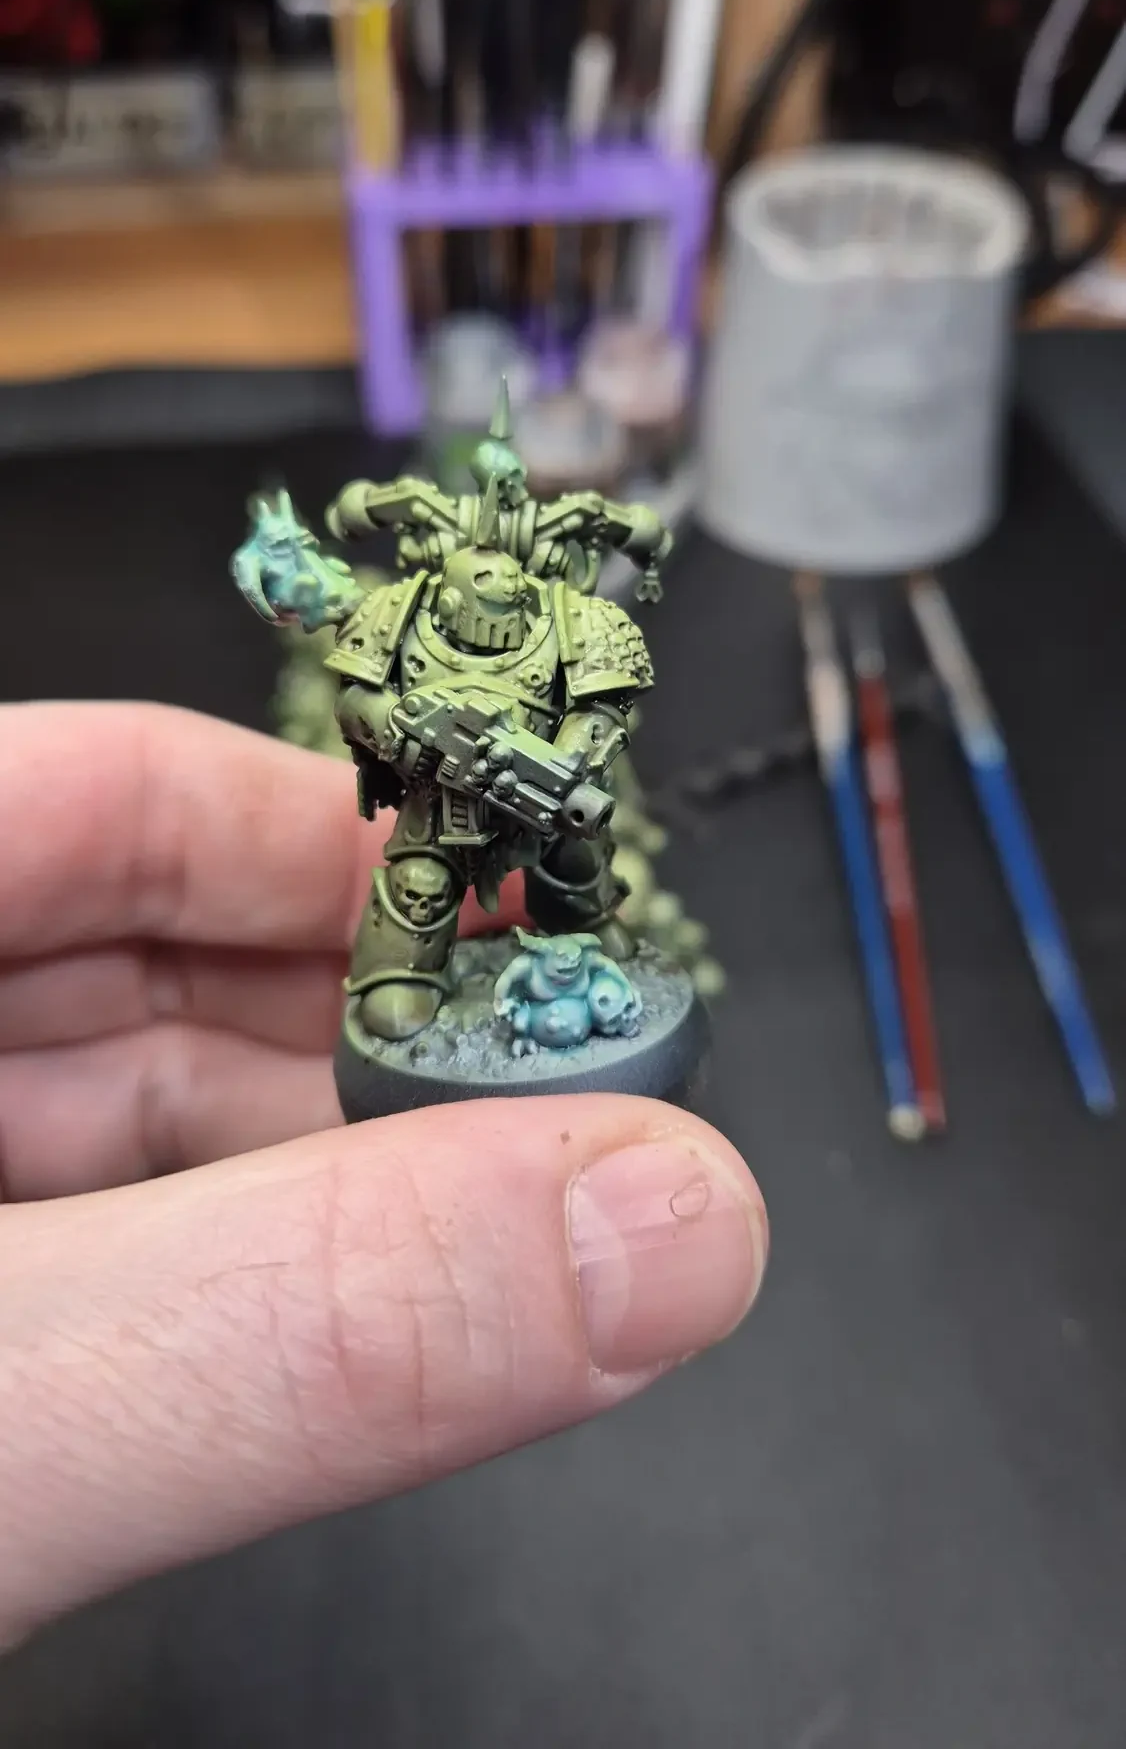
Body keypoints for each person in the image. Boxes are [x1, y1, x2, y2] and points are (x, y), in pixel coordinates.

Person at [0, 702, 768, 1651]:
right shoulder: (418, 653)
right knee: (419, 880)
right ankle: (407, 971)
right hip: (442, 803)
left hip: (550, 797)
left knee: (573, 861)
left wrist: (565, 759)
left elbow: (607, 696)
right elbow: (368, 692)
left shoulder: (567, 646)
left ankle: (582, 930)